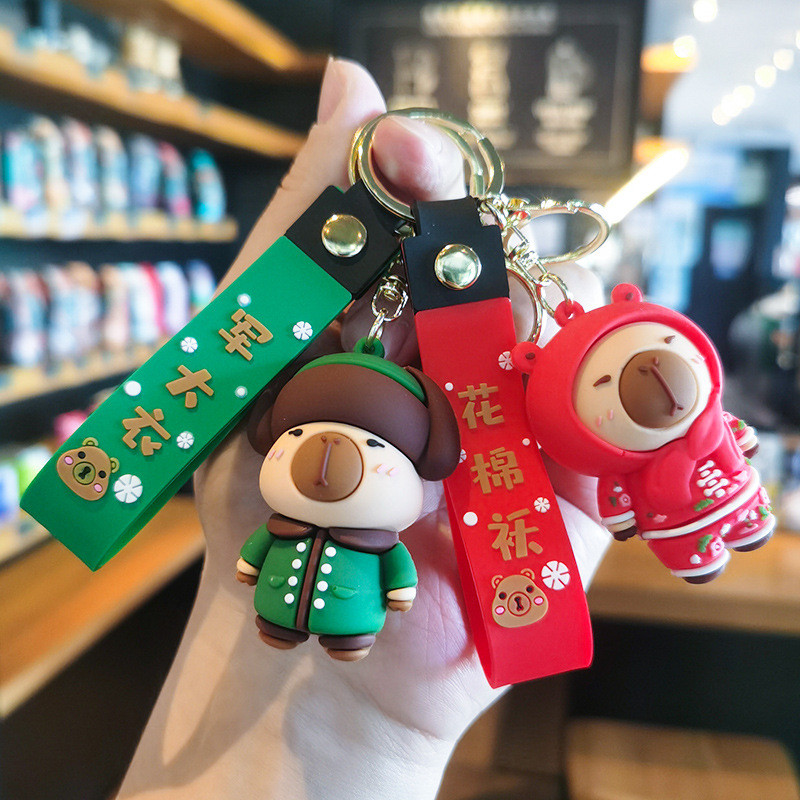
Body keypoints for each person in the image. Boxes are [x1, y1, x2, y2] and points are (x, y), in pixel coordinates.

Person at [116, 58, 610, 800]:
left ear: (424, 460)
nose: (327, 458)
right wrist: (241, 572)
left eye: (379, 446)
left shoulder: (386, 533)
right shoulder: (275, 516)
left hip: (362, 638)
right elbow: (257, 552)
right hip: (271, 617)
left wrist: (379, 706)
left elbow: (397, 572)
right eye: (299, 434)